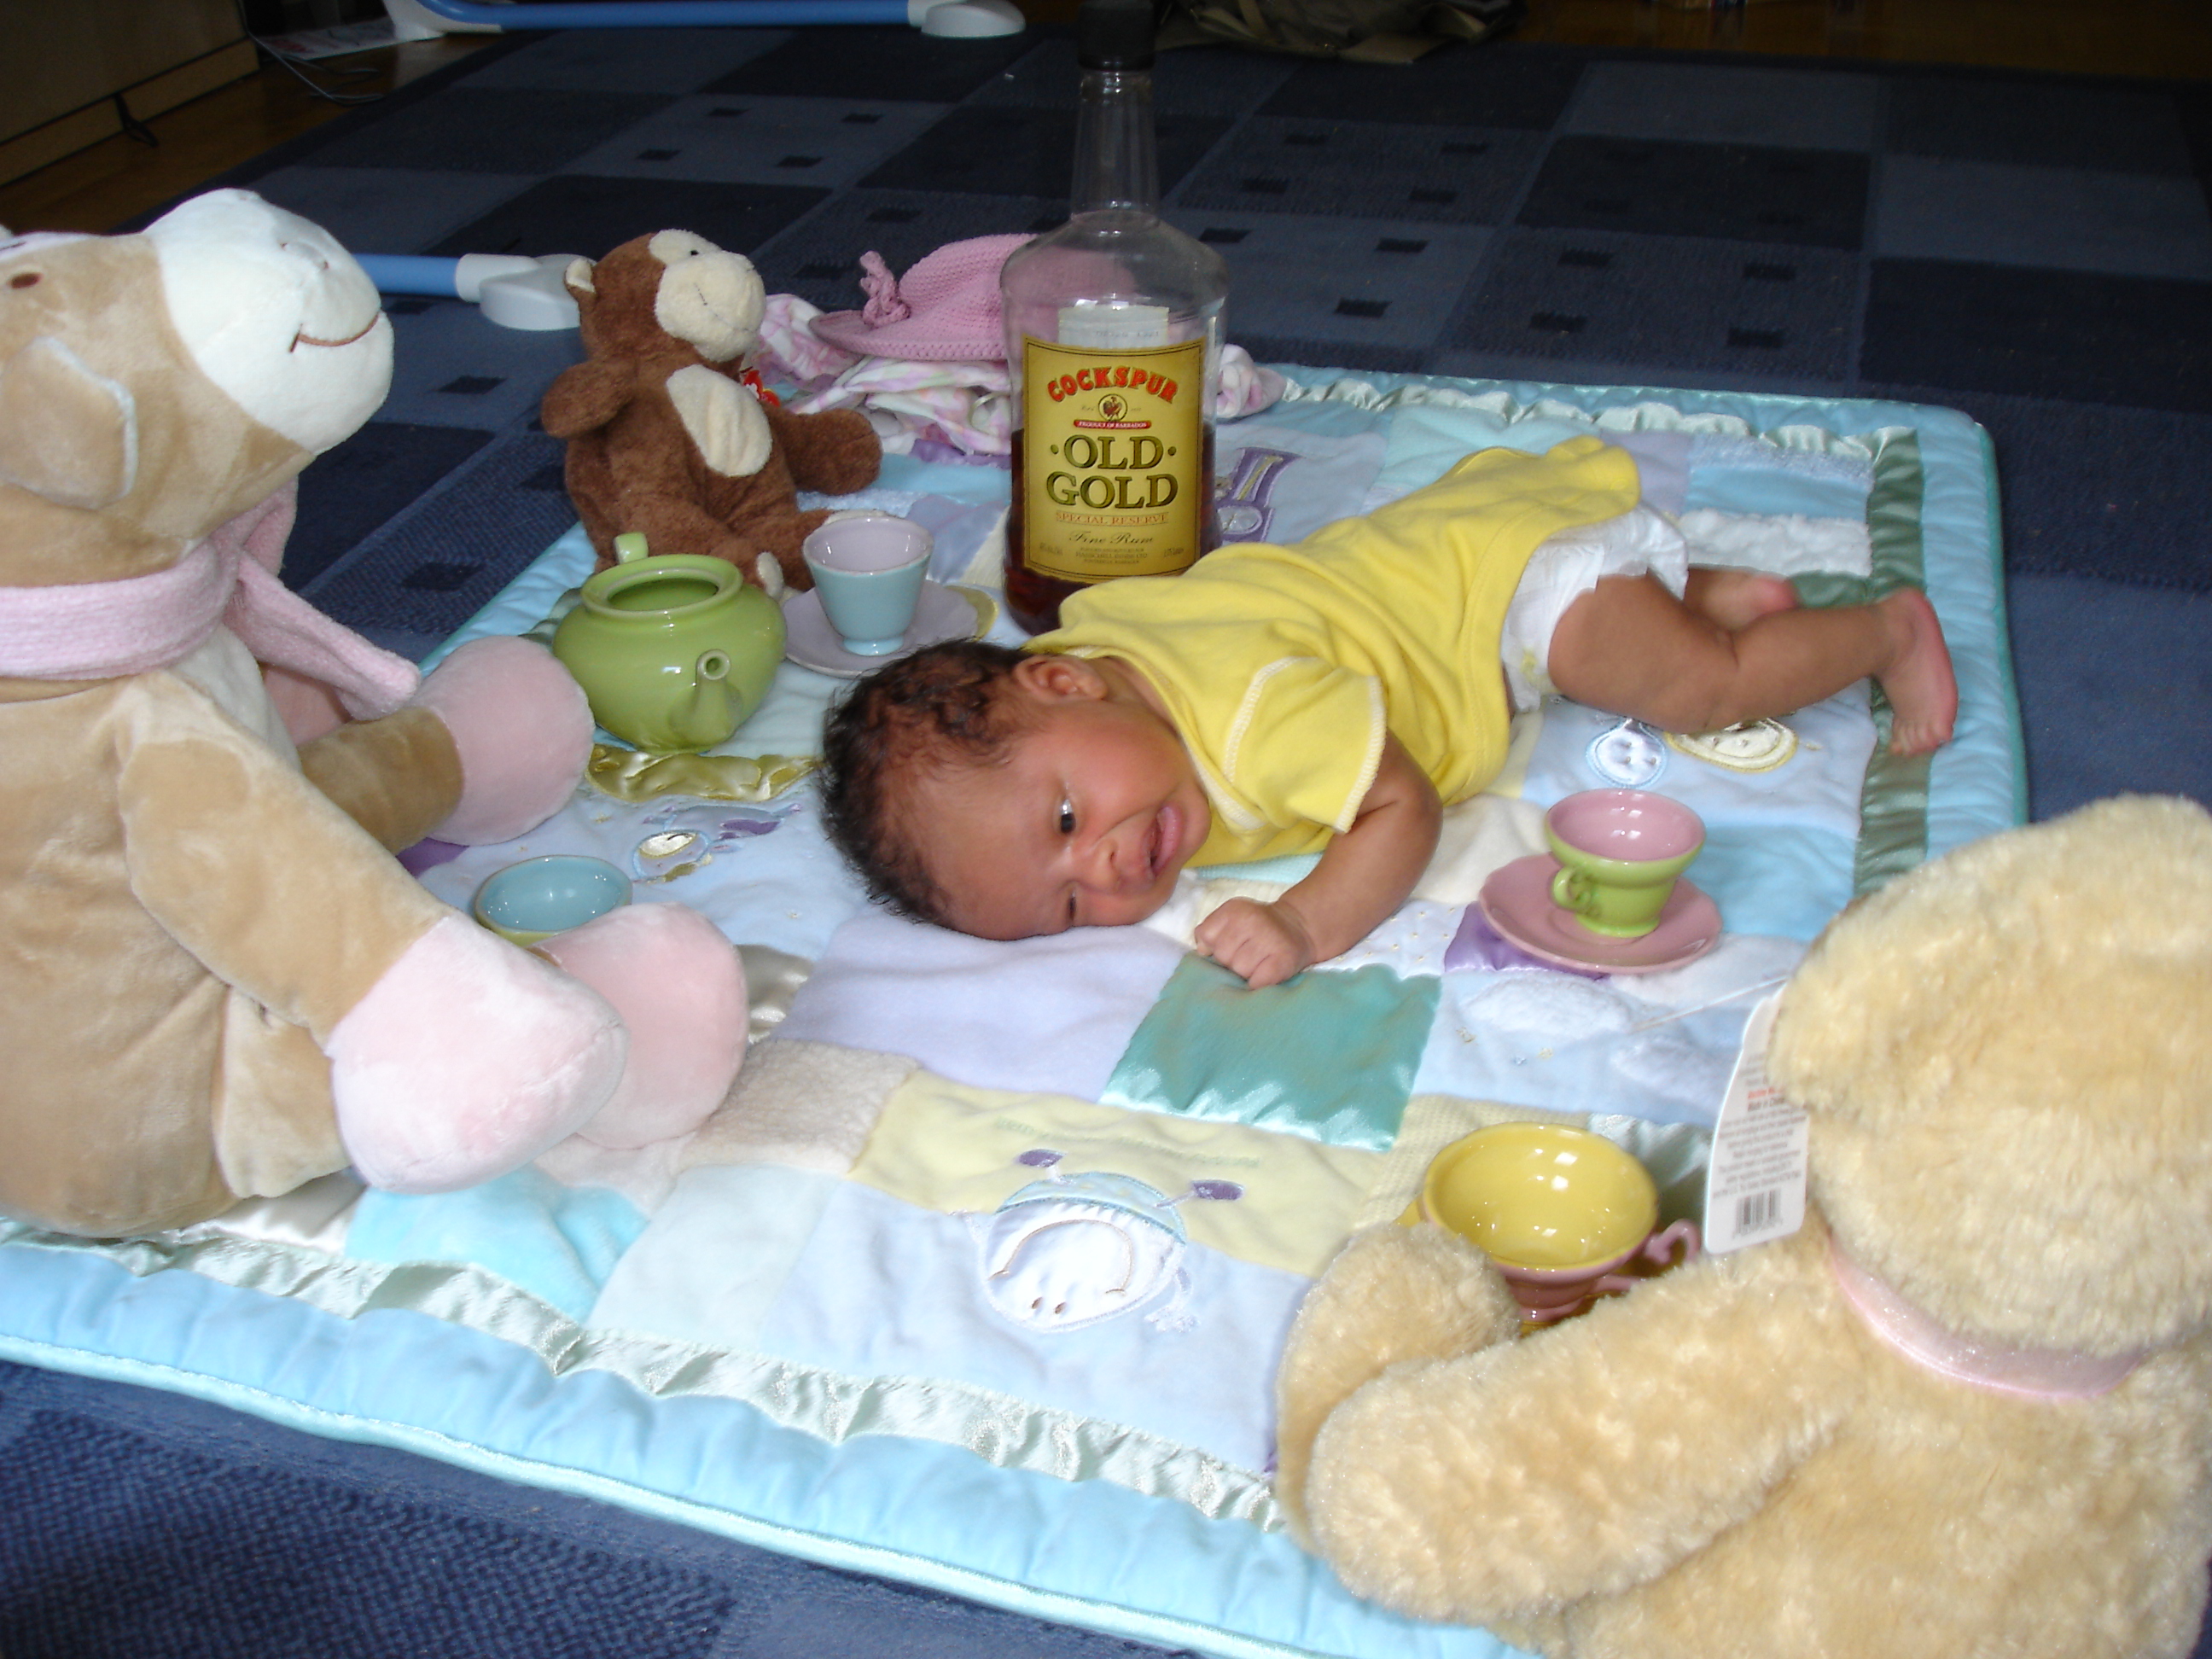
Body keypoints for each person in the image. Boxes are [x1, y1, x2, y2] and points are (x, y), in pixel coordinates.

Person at [818, 437, 1956, 988]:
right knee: (1632, 644)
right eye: (1068, 906)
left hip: (1509, 591)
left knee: (1701, 692)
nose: (1108, 870)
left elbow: (1401, 807)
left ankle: (1881, 632)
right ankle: (1693, 594)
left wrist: (1306, 924)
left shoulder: (1258, 722)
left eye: (1067, 824)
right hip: (1432, 550)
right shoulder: (1090, 666)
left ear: (1064, 685)